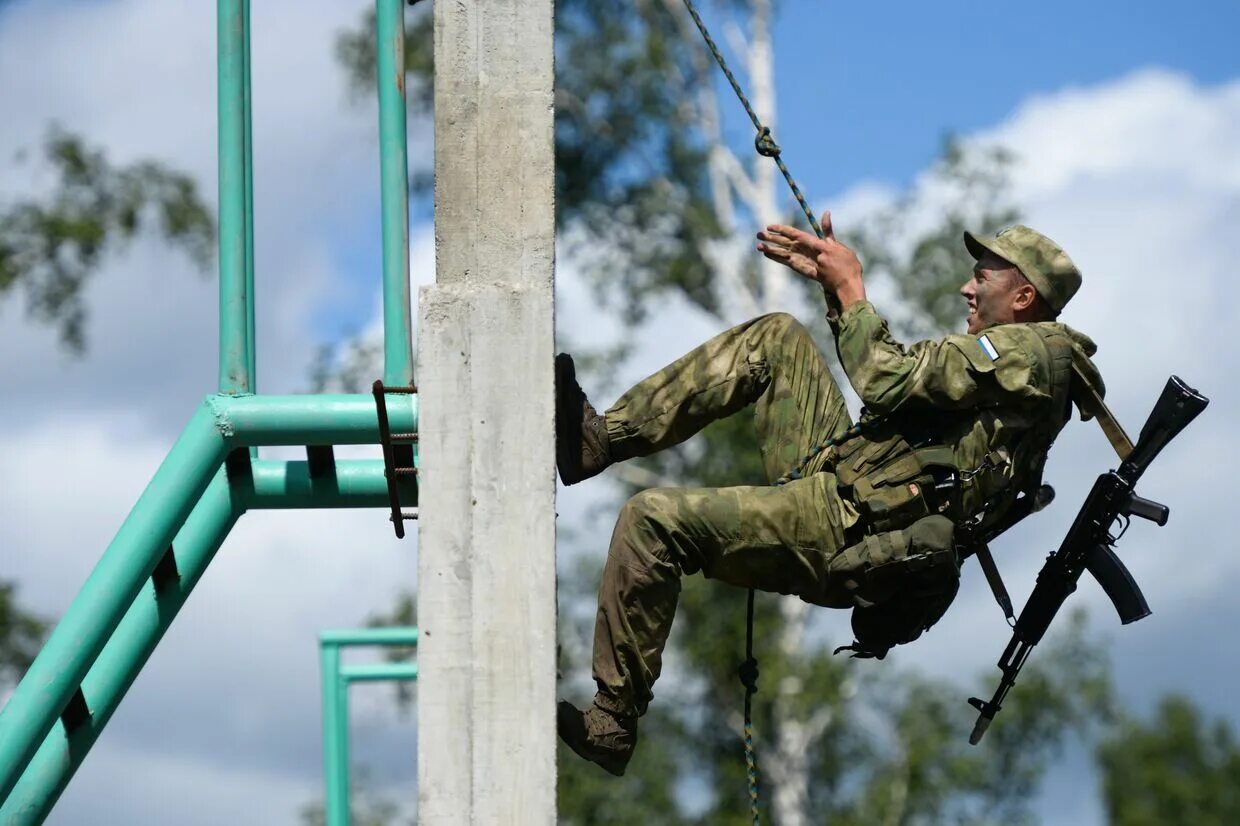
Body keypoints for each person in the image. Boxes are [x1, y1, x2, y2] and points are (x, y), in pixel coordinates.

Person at [555, 212, 1102, 776]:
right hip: (843, 480)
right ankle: (597, 442)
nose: (967, 286)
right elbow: (901, 399)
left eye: (983, 278)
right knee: (776, 338)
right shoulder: (1024, 362)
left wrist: (850, 287)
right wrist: (840, 298)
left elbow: (886, 379)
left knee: (653, 520)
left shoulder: (1026, 354)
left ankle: (612, 721)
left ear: (1023, 296)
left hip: (849, 525)